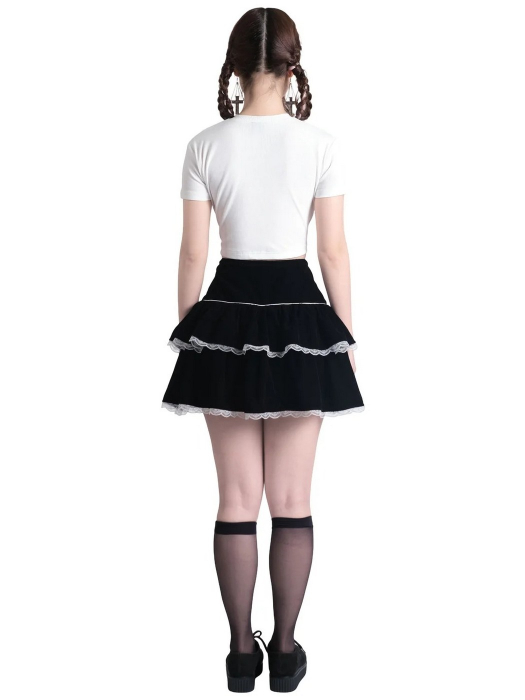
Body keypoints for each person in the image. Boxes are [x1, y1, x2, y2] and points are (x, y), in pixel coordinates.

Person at [161, 7, 364, 693]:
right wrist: (345, 338)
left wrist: (191, 336)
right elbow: (332, 251)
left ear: (233, 64)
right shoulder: (321, 144)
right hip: (302, 317)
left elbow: (193, 253)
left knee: (236, 499)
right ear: (291, 63)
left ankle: (237, 655)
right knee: (292, 498)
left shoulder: (204, 145)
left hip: (223, 311)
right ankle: (283, 649)